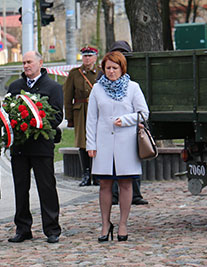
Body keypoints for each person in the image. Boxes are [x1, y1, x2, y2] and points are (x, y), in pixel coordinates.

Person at [86, 51, 149, 242]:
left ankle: (123, 223)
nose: (111, 72)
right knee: (104, 184)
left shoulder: (133, 87)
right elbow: (91, 118)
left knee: (125, 183)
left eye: (115, 68)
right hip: (104, 143)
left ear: (122, 69)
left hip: (126, 143)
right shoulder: (97, 89)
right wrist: (91, 144)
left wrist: (127, 120)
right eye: (108, 68)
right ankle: (105, 223)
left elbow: (143, 113)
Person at [7, 51, 63, 244]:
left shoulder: (53, 87)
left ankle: (52, 229)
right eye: (23, 62)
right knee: (21, 188)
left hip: (41, 145)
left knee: (46, 187)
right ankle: (23, 228)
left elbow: (57, 116)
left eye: (29, 62)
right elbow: (7, 113)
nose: (26, 66)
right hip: (20, 147)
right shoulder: (15, 86)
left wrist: (35, 122)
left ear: (40, 62)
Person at [102, 41, 149, 205]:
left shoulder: (133, 81)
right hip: (111, 129)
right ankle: (115, 195)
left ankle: (134, 194)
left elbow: (141, 107)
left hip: (130, 127)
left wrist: (132, 120)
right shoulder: (103, 80)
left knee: (131, 164)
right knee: (112, 165)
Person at [63, 45, 100, 186]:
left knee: (98, 140)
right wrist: (69, 118)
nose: (87, 58)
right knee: (83, 143)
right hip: (81, 112)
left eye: (90, 55)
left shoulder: (100, 72)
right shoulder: (75, 74)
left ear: (95, 57)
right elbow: (68, 97)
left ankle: (97, 174)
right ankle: (86, 174)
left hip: (97, 110)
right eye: (85, 56)